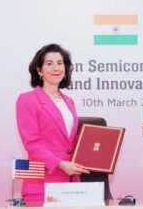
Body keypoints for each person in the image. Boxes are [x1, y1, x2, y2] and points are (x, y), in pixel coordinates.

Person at [16, 44, 89, 205]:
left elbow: (71, 141)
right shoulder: (27, 99)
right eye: (49, 63)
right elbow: (32, 143)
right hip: (42, 185)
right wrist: (60, 164)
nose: (56, 68)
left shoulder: (69, 102)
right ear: (39, 70)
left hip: (71, 183)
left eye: (60, 63)